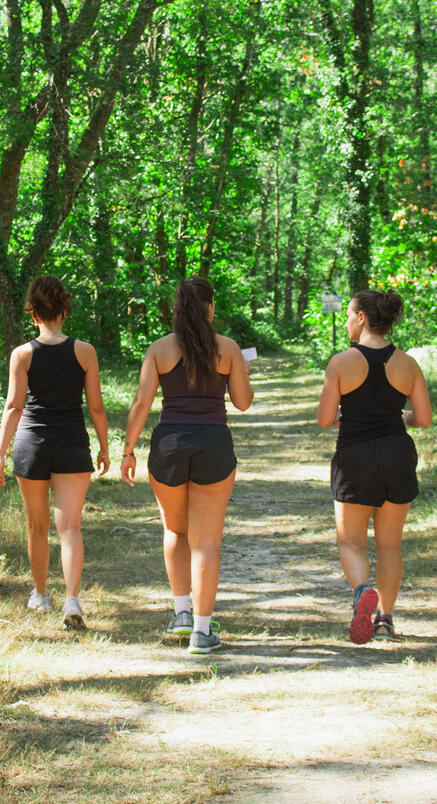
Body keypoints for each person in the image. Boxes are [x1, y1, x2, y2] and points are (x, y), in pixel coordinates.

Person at [120, 278, 254, 654]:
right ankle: (201, 630)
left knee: (176, 531)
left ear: (177, 309)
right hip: (213, 443)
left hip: (169, 445)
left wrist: (128, 451)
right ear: (210, 307)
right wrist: (243, 371)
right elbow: (242, 402)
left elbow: (141, 404)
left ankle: (180, 612)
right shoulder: (227, 348)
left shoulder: (160, 349)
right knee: (207, 541)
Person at [0, 275, 110, 631]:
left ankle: (41, 595)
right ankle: (71, 598)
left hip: (32, 443)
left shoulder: (23, 353)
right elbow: (97, 407)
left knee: (37, 525)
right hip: (72, 443)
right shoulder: (85, 351)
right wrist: (105, 447)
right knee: (70, 525)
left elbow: (14, 406)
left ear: (34, 313)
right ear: (64, 309)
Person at [316, 290, 432, 644]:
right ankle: (385, 619)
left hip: (356, 455)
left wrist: (343, 416)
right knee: (389, 545)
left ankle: (362, 590)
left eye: (350, 314)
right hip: (397, 453)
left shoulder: (341, 362)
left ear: (362, 317)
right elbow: (423, 418)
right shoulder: (408, 363)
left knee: (351, 541)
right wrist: (402, 416)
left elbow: (324, 419)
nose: (348, 321)